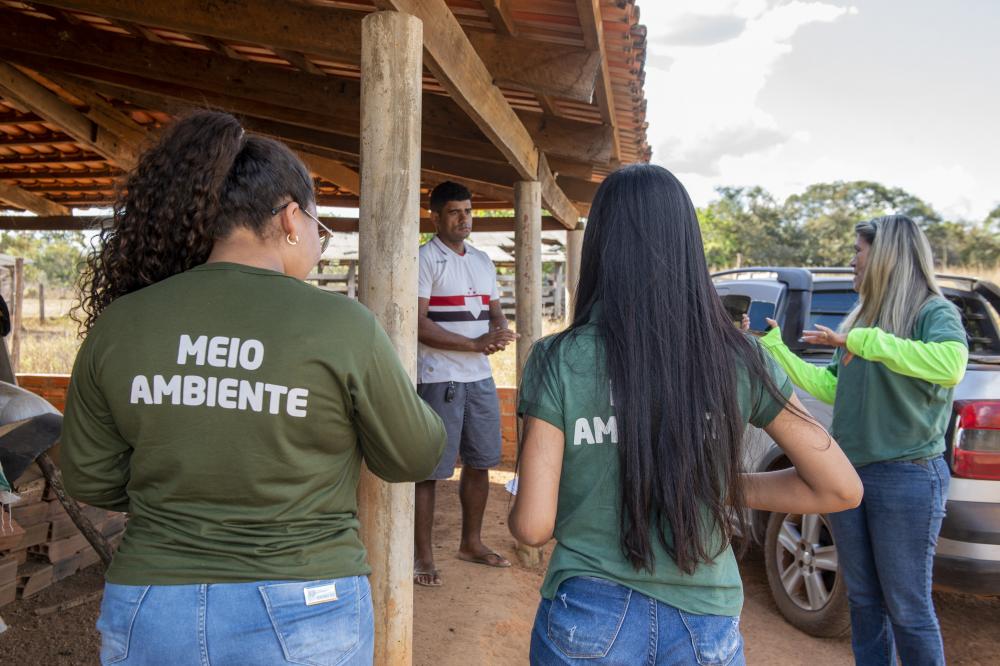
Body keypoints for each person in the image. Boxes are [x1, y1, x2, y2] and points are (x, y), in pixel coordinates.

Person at [60, 111, 446, 666]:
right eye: (318, 228)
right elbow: (414, 453)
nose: (318, 243)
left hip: (152, 605)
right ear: (291, 218)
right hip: (302, 603)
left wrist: (183, 489)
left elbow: (89, 477)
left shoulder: (122, 322)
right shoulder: (341, 325)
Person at [508, 164, 862, 665]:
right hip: (705, 624)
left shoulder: (558, 359)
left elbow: (532, 527)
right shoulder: (741, 357)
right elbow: (841, 488)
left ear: (601, 247)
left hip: (588, 618)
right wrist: (723, 487)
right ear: (687, 246)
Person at [757, 215, 968, 665]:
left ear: (886, 255)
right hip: (850, 478)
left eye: (858, 251)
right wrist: (776, 349)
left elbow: (951, 364)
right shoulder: (862, 318)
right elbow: (833, 387)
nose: (852, 261)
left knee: (907, 608)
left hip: (907, 477)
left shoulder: (933, 312)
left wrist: (864, 341)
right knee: (864, 601)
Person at [413, 181, 518, 587]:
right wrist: (474, 343)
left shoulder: (482, 260)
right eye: (454, 212)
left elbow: (495, 311)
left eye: (468, 211)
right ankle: (423, 557)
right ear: (435, 217)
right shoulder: (425, 259)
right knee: (430, 469)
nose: (464, 219)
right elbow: (418, 323)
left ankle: (470, 543)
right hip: (440, 375)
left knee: (481, 461)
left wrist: (500, 330)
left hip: (480, 377)